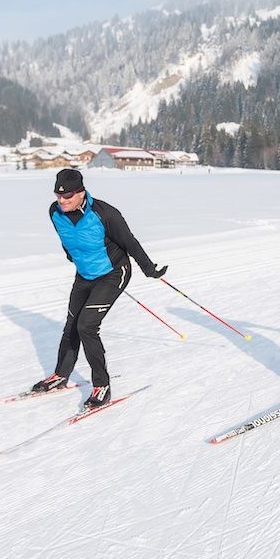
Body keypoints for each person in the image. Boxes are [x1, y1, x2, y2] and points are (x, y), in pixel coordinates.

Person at [30, 168, 168, 409]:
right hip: (85, 274)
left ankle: (101, 385)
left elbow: (130, 243)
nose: (62, 201)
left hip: (114, 272)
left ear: (81, 193)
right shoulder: (54, 212)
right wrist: (72, 256)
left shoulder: (105, 214)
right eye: (58, 196)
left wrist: (150, 269)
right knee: (71, 324)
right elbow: (67, 239)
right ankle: (60, 375)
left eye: (68, 196)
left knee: (87, 326)